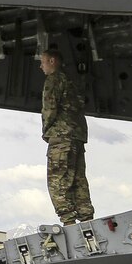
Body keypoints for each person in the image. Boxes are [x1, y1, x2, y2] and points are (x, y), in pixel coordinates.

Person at [40, 49, 94, 224]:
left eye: (43, 62)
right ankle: (87, 220)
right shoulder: (72, 81)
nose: (41, 66)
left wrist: (46, 130)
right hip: (77, 137)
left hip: (61, 137)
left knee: (58, 181)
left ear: (52, 61)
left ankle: (69, 222)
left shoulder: (53, 80)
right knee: (78, 179)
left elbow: (49, 108)